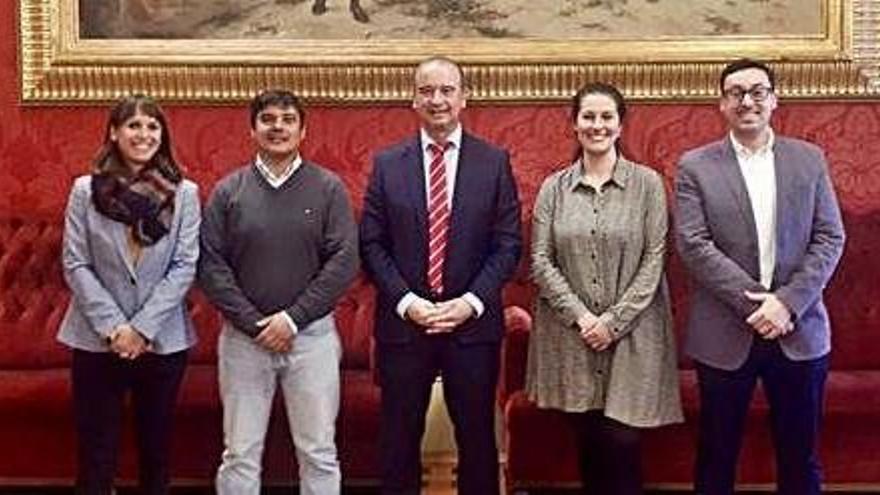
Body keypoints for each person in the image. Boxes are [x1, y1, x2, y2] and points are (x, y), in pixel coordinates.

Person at [674, 59, 846, 495]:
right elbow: (693, 244)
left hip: (799, 329)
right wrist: (759, 306)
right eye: (735, 92)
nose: (746, 101)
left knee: (800, 457)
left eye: (757, 91)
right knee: (716, 457)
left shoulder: (809, 160)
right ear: (721, 103)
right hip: (725, 333)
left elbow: (830, 237)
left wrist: (786, 303)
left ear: (774, 98)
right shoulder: (695, 166)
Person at [359, 56, 522, 495]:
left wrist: (468, 304)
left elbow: (507, 245)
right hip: (404, 327)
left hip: (472, 327)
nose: (437, 100)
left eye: (446, 90)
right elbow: (372, 245)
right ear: (413, 99)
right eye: (427, 90)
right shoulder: (388, 164)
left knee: (476, 440)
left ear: (463, 98)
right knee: (397, 439)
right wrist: (410, 304)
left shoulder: (493, 162)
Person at [525, 82, 683, 495]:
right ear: (575, 124)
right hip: (570, 337)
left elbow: (656, 258)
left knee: (622, 439)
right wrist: (582, 318)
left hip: (635, 335)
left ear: (620, 123)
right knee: (589, 441)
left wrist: (612, 322)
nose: (597, 125)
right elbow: (540, 261)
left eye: (606, 116)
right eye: (588, 116)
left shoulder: (648, 184)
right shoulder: (553, 188)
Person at [198, 89, 358, 495]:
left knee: (319, 451)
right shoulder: (228, 191)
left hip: (312, 339)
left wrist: (292, 319)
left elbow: (343, 262)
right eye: (268, 119)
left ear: (303, 130)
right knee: (239, 453)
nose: (278, 127)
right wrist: (255, 324)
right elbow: (211, 265)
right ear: (252, 129)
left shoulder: (328, 188)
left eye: (288, 120)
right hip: (243, 342)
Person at [57, 94, 200, 495]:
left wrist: (141, 329)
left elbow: (184, 265)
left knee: (156, 453)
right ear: (114, 133)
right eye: (134, 126)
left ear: (163, 135)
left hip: (162, 340)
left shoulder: (185, 193)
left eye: (153, 126)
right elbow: (75, 263)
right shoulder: (85, 191)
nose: (144, 134)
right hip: (95, 338)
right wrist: (114, 328)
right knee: (96, 454)